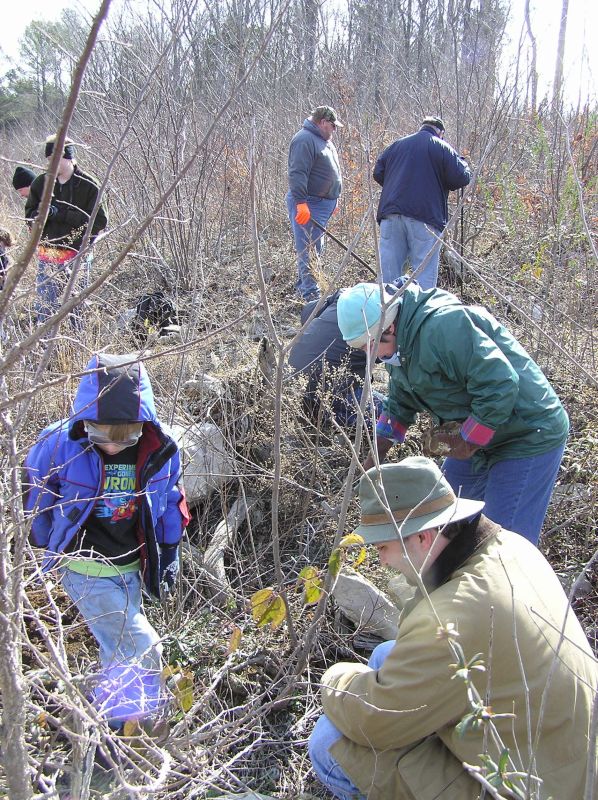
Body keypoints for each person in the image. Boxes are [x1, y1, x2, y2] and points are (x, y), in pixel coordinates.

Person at [309, 456, 597, 800]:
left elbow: (375, 722)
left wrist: (334, 678)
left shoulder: (448, 618)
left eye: (383, 546)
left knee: (327, 740)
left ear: (423, 537)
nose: (382, 560)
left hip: (533, 789)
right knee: (388, 654)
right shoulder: (513, 546)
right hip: (568, 762)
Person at [23, 352, 190, 728]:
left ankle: (105, 723)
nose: (112, 446)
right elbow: (36, 491)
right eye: (101, 435)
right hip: (85, 567)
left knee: (117, 650)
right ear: (85, 421)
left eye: (124, 436)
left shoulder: (159, 448)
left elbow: (169, 501)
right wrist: (44, 541)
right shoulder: (59, 443)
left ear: (142, 424)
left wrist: (169, 549)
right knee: (143, 646)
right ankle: (129, 726)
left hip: (131, 564)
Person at [336, 281, 569, 545]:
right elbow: (399, 403)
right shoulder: (399, 349)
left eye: (369, 345)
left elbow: (500, 384)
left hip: (526, 434)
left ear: (388, 326)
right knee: (443, 522)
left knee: (504, 543)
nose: (370, 355)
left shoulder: (442, 327)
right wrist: (370, 463)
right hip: (478, 430)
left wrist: (467, 441)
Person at [373, 116, 470, 289]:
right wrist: (463, 164)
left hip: (391, 215)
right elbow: (461, 177)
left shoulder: (397, 145)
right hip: (425, 218)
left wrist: (397, 186)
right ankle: (418, 314)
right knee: (423, 278)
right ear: (440, 132)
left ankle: (385, 314)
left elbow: (378, 172)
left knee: (388, 278)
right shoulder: (441, 146)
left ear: (422, 127)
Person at [25, 135, 108, 323]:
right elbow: (29, 214)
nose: (51, 165)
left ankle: (75, 349)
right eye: (49, 160)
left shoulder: (89, 185)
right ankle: (44, 347)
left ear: (68, 157)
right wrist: (39, 216)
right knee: (44, 308)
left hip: (77, 256)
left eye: (55, 159)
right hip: (48, 256)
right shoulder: (40, 183)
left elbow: (99, 222)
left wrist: (62, 214)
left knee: (75, 309)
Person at [288, 291, 384, 427]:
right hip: (327, 393)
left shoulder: (345, 295)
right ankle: (327, 421)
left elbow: (309, 310)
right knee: (391, 415)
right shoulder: (388, 317)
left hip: (292, 379)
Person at [286, 105, 343, 301]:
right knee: (309, 249)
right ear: (322, 122)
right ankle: (311, 295)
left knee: (316, 248)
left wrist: (334, 198)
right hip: (309, 203)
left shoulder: (324, 141)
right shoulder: (304, 140)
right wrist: (301, 202)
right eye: (332, 126)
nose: (334, 130)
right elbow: (297, 173)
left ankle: (305, 286)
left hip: (322, 205)